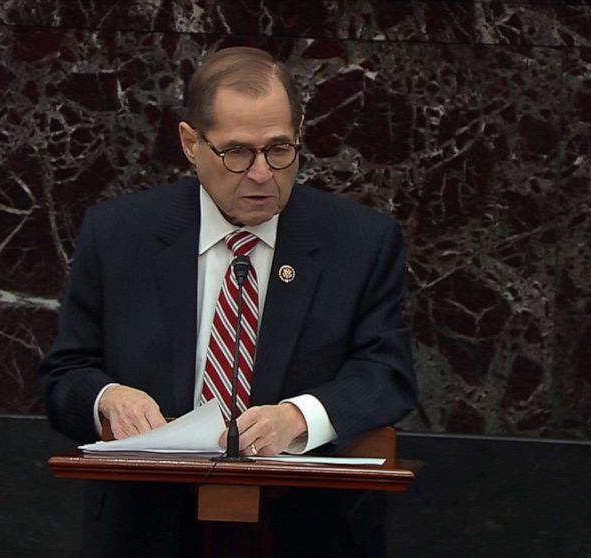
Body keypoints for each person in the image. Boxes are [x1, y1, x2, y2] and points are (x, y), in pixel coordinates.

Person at [39, 46, 416, 558]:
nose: (262, 174)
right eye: (237, 152)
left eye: (279, 149)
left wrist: (299, 418)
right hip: (146, 528)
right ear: (191, 143)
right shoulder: (119, 235)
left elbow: (386, 374)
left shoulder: (359, 241)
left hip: (307, 530)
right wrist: (109, 398)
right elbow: (66, 374)